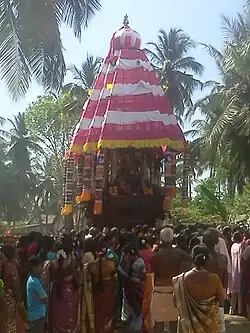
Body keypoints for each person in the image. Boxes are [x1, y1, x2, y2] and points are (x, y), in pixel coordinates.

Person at [172, 245, 225, 333]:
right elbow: (221, 301)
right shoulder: (214, 278)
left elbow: (175, 303)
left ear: (192, 258)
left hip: (187, 328)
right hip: (210, 327)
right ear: (207, 260)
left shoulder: (181, 280)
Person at [152, 227, 192, 333]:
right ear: (173, 238)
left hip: (159, 290)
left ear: (161, 239)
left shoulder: (156, 256)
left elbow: (153, 274)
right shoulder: (181, 254)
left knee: (159, 323)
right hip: (176, 289)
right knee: (175, 323)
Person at [44, 234, 79, 333]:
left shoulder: (50, 264)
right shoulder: (73, 262)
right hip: (71, 297)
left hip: (56, 296)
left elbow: (45, 283)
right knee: (70, 323)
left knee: (56, 323)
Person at [118, 242, 146, 333]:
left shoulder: (123, 263)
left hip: (127, 291)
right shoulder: (140, 261)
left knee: (127, 313)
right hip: (137, 291)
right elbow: (144, 276)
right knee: (137, 312)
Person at [0, 244, 26, 333]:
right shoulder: (11, 266)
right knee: (10, 323)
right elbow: (16, 285)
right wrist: (20, 300)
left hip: (2, 296)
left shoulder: (3, 266)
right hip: (9, 298)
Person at [26, 255, 47, 333]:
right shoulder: (35, 282)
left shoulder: (32, 279)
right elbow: (45, 300)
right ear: (34, 267)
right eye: (40, 266)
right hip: (37, 316)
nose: (42, 268)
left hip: (34, 316)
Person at [138, 236, 154, 333]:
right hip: (148, 277)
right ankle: (146, 325)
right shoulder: (151, 253)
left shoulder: (137, 253)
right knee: (147, 301)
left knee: (140, 299)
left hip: (138, 278)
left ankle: (140, 323)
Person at [231, 231, 243, 315]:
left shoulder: (233, 246)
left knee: (233, 292)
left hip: (233, 270)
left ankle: (231, 310)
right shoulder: (241, 246)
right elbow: (241, 259)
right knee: (240, 293)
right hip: (239, 270)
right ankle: (239, 311)